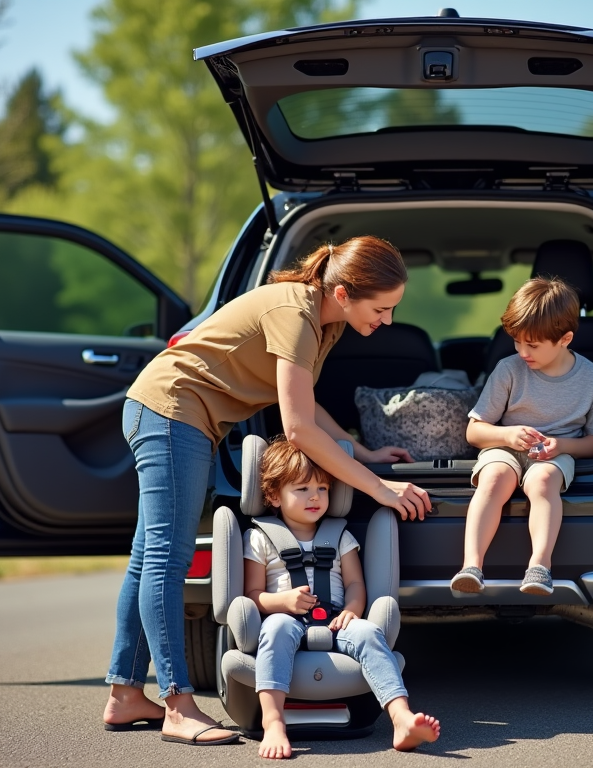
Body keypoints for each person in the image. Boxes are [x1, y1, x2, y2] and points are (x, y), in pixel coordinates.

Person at [102, 236, 433, 745]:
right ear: (343, 293)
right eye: (382, 308)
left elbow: (304, 404)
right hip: (171, 410)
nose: (387, 320)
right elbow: (297, 430)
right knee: (166, 558)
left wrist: (360, 453)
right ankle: (176, 705)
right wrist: (380, 488)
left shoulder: (326, 321)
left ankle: (125, 695)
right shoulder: (295, 313)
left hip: (176, 415)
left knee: (148, 557)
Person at [245, 438, 441, 758]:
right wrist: (282, 603)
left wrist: (353, 610)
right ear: (273, 496)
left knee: (368, 632)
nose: (315, 497)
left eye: (322, 489)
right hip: (285, 616)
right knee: (275, 629)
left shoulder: (340, 536)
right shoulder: (259, 537)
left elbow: (354, 584)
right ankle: (273, 721)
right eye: (302, 489)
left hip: (335, 617)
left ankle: (402, 717)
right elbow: (253, 595)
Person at [450, 277, 593, 596]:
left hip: (556, 453)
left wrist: (561, 446)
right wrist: (508, 436)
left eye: (533, 345)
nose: (523, 351)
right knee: (494, 476)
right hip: (505, 447)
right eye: (517, 342)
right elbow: (475, 431)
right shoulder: (509, 370)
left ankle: (539, 567)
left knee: (543, 482)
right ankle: (471, 565)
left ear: (565, 338)